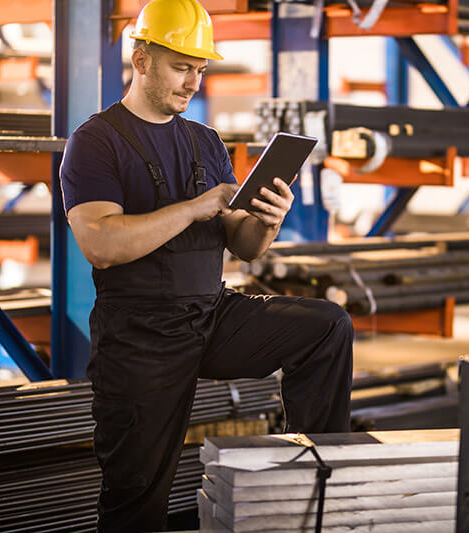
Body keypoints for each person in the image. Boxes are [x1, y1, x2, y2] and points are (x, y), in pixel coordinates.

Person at [59, 0, 354, 530]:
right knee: (137, 497)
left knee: (326, 326)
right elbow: (101, 243)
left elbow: (244, 247)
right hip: (139, 335)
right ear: (142, 58)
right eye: (181, 67)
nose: (193, 81)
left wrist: (268, 218)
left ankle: (313, 474)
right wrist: (197, 206)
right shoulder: (95, 141)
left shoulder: (205, 142)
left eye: (200, 69)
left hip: (210, 314)